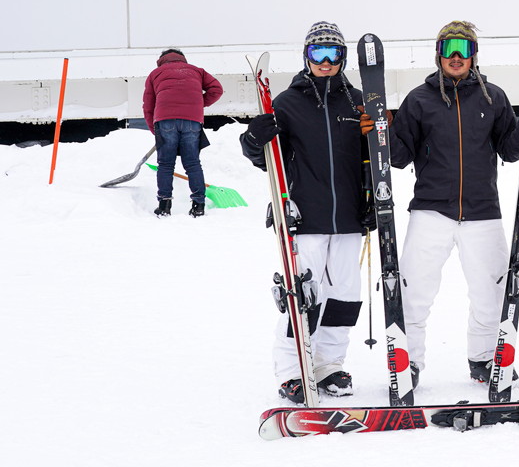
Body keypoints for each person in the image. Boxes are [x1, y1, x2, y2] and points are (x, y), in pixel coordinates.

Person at [389, 20, 519, 390]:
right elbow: (399, 158)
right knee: (415, 291)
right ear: (438, 53)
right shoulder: (418, 100)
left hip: (482, 211)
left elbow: (511, 151)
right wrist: (383, 131)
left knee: (490, 291)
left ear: (473, 56)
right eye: (448, 48)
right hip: (431, 210)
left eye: (463, 49)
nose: (455, 56)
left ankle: (484, 359)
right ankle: (410, 362)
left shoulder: (492, 98)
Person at [241, 21, 371, 403]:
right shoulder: (288, 101)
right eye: (318, 54)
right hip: (305, 214)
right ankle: (292, 369)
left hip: (349, 215)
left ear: (342, 58)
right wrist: (253, 138)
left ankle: (329, 363)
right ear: (307, 57)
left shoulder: (358, 101)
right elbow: (265, 158)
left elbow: (377, 157)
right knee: (303, 295)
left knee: (345, 295)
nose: (326, 62)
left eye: (333, 54)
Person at [142, 48, 224, 218]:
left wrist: (154, 129)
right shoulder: (196, 71)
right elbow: (216, 89)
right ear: (182, 59)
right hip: (192, 121)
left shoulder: (155, 73)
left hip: (165, 120)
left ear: (161, 60)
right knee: (193, 163)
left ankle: (164, 206)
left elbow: (148, 105)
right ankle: (198, 205)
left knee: (165, 164)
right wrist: (197, 104)